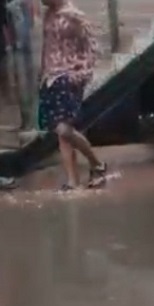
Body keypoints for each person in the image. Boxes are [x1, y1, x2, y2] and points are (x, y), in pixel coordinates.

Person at [38, 0, 107, 191]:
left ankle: (97, 164)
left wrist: (81, 73)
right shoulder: (49, 15)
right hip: (50, 77)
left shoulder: (74, 16)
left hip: (68, 76)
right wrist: (41, 73)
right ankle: (72, 180)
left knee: (63, 129)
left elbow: (91, 46)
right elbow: (47, 46)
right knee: (63, 133)